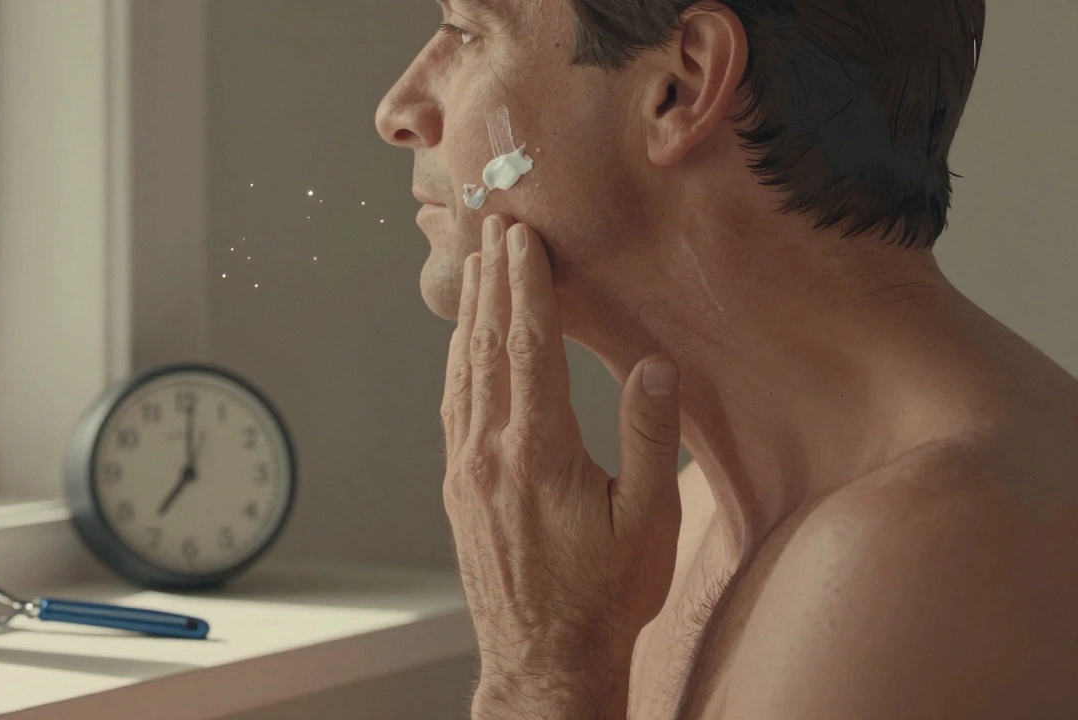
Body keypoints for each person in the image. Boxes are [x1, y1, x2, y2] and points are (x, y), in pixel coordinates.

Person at [374, 0, 1078, 718]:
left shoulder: (917, 552)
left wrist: (543, 671)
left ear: (681, 89)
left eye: (468, 31)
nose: (398, 109)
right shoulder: (708, 516)